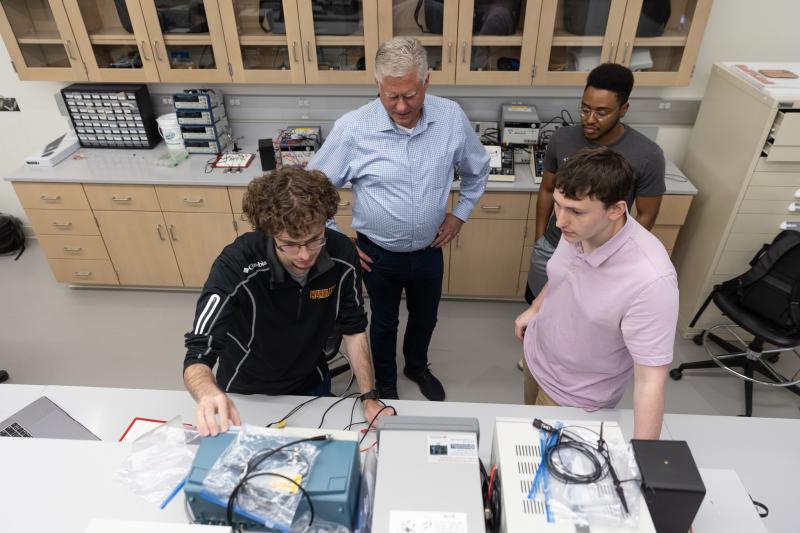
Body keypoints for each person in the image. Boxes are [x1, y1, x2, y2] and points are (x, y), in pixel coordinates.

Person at [307, 36, 490, 401]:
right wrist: (337, 241)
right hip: (377, 255)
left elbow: (478, 169)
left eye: (410, 94)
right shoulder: (353, 128)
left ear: (426, 81)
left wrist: (460, 215)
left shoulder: (451, 117)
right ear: (377, 84)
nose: (401, 106)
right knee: (383, 324)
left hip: (428, 250)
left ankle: (417, 366)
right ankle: (385, 383)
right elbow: (313, 189)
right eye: (391, 96)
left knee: (426, 318)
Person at [183, 167, 388, 436]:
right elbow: (199, 349)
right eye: (290, 244)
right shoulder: (236, 263)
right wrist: (208, 393)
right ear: (269, 232)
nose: (304, 255)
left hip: (312, 382)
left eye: (315, 240)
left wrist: (369, 397)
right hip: (247, 391)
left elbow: (353, 327)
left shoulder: (342, 254)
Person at [515, 147, 678, 439]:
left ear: (616, 209)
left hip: (574, 396)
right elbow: (565, 274)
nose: (560, 221)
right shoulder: (578, 229)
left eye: (575, 211)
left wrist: (647, 458)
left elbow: (650, 380)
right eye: (558, 205)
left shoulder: (651, 280)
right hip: (536, 359)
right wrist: (536, 309)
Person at [527, 62, 665, 302]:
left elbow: (646, 215)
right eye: (584, 109)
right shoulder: (562, 139)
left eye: (602, 113)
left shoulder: (647, 154)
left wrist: (614, 256)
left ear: (623, 109)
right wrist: (541, 237)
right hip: (553, 246)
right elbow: (547, 189)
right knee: (538, 309)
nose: (589, 119)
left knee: (580, 319)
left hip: (601, 255)